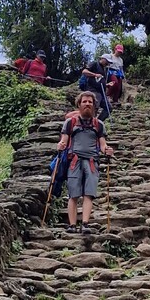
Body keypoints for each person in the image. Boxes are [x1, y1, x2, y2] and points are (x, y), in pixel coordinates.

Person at [56, 91, 113, 234]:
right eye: (84, 102)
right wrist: (61, 145)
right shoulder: (70, 123)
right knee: (73, 194)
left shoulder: (98, 125)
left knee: (89, 194)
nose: (87, 104)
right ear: (79, 104)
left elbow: (102, 144)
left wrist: (107, 150)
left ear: (94, 105)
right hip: (74, 160)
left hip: (92, 161)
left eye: (90, 102)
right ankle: (72, 225)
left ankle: (85, 224)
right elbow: (64, 140)